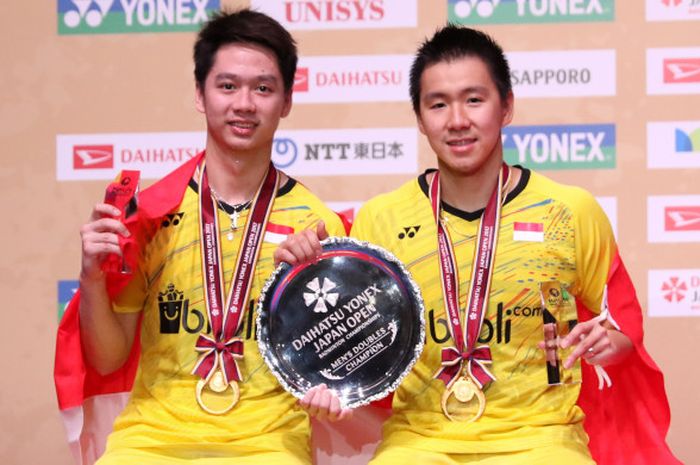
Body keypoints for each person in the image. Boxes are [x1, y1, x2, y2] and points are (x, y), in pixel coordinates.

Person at [275, 25, 681, 464]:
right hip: (419, 442)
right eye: (438, 104)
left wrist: (608, 343)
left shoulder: (570, 211)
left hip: (542, 440)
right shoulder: (379, 220)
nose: (457, 121)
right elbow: (335, 330)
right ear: (419, 118)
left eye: (474, 99)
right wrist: (299, 275)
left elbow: (621, 329)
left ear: (505, 107)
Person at [54, 9, 346, 465]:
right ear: (200, 94)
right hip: (151, 442)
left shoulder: (317, 224)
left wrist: (325, 380)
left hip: (266, 446)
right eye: (227, 86)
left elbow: (334, 369)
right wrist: (91, 278)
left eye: (263, 88)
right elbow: (108, 361)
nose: (244, 104)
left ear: (286, 100)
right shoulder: (149, 213)